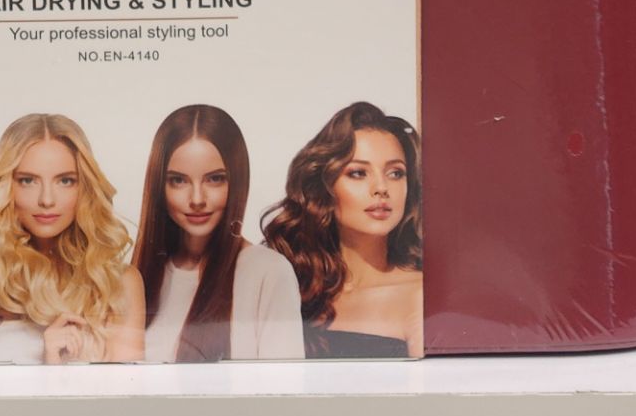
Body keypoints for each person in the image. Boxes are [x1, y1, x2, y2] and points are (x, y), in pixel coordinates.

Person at [133, 104, 303, 363]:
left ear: (237, 181)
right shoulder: (139, 278)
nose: (197, 199)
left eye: (214, 179)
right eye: (178, 180)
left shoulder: (269, 272)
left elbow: (285, 386)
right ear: (159, 186)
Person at [0, 112, 144, 362]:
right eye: (28, 181)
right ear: (5, 187)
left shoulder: (118, 284)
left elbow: (133, 387)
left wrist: (56, 369)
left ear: (84, 187)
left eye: (65, 181)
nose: (47, 200)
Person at [261, 102, 423, 359]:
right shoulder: (293, 288)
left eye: (395, 173)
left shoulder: (420, 296)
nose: (381, 188)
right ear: (324, 187)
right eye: (358, 173)